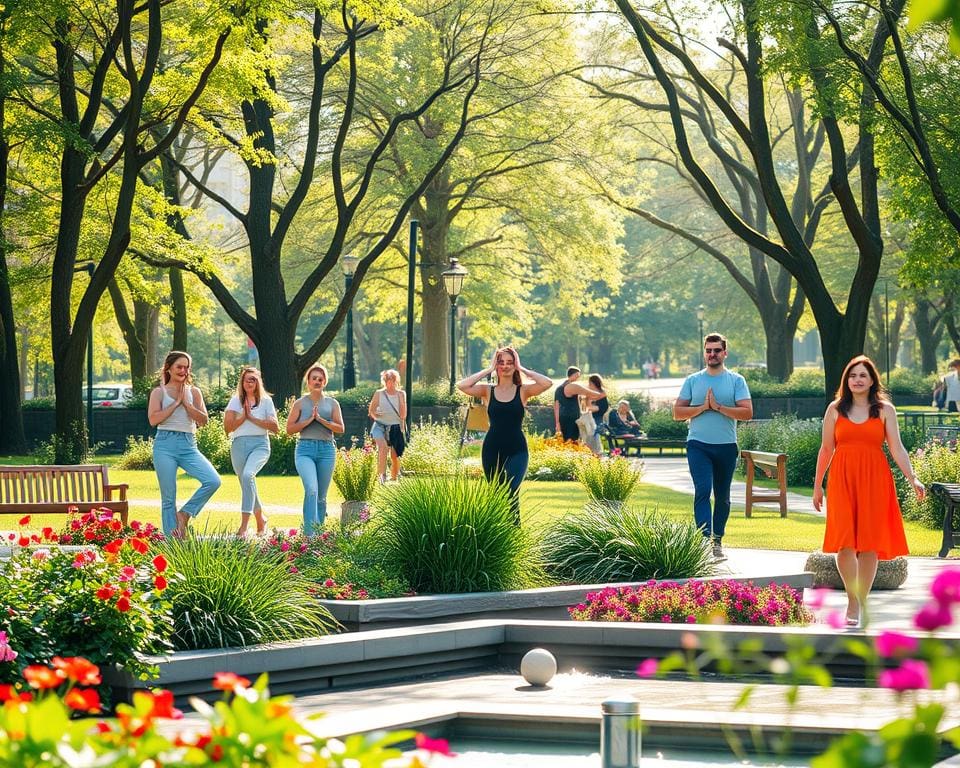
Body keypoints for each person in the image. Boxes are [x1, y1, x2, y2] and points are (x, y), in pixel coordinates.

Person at [813, 355, 924, 628]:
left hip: (875, 479)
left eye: (863, 375)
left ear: (872, 379)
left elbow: (897, 448)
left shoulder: (885, 410)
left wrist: (913, 478)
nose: (857, 380)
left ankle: (861, 600)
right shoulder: (835, 409)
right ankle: (852, 599)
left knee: (869, 543)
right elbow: (826, 449)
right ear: (846, 381)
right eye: (853, 375)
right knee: (845, 542)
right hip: (842, 478)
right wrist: (817, 486)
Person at [673, 333, 753, 560]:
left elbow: (747, 412)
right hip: (698, 444)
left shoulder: (736, 381)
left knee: (723, 496)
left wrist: (718, 407)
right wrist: (702, 407)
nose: (712, 354)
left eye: (717, 350)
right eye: (708, 350)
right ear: (704, 353)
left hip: (726, 446)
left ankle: (717, 540)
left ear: (725, 353)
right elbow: (677, 413)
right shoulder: (693, 380)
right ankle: (702, 539)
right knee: (702, 489)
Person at [457, 347, 552, 524]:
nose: (505, 366)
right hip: (492, 449)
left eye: (510, 362)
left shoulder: (523, 390)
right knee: (496, 493)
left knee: (512, 487)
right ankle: (500, 536)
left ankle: (514, 533)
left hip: (517, 450)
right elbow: (462, 386)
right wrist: (489, 369)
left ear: (514, 365)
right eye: (501, 362)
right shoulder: (487, 390)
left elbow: (547, 383)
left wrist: (521, 368)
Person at [148, 351, 222, 538]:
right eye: (179, 367)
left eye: (186, 367)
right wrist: (176, 404)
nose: (183, 370)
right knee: (168, 498)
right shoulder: (159, 392)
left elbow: (203, 420)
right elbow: (153, 419)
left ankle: (185, 513)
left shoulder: (194, 392)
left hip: (189, 445)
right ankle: (174, 542)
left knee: (213, 480)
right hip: (164, 444)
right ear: (169, 368)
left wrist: (187, 405)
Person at [286, 364, 344, 536]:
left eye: (320, 379)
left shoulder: (332, 403)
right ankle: (310, 534)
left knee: (321, 496)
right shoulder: (300, 403)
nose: (317, 381)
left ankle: (319, 534)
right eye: (314, 379)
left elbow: (340, 428)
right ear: (308, 382)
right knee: (311, 489)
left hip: (326, 450)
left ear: (324, 382)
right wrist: (309, 419)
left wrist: (321, 420)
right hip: (305, 450)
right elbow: (289, 429)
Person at [223, 367, 279, 536]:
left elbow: (275, 427)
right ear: (242, 382)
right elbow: (227, 428)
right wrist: (243, 417)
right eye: (247, 379)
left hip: (260, 445)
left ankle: (244, 526)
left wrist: (253, 418)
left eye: (253, 379)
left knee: (248, 476)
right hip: (239, 445)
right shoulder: (235, 401)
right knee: (247, 482)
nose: (250, 382)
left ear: (258, 382)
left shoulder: (266, 401)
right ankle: (261, 519)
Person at [367, 369, 407, 483]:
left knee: (394, 455)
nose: (390, 383)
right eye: (388, 380)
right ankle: (382, 477)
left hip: (395, 427)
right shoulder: (379, 393)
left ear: (396, 381)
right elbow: (371, 411)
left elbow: (403, 415)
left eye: (393, 380)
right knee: (383, 448)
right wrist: (376, 415)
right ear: (384, 381)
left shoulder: (401, 394)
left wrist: (401, 400)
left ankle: (394, 477)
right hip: (379, 426)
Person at [554, 366, 605, 442]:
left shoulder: (559, 388)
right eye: (577, 376)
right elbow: (588, 393)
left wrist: (557, 422)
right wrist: (600, 394)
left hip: (564, 417)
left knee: (567, 440)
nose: (578, 378)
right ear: (574, 375)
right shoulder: (572, 386)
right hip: (571, 418)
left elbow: (556, 407)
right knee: (572, 440)